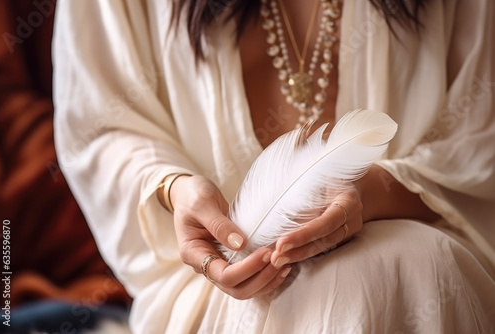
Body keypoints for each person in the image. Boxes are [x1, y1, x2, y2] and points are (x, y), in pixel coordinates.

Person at [53, 0, 495, 332]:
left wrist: (373, 189)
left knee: (409, 263)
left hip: (429, 250)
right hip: (215, 291)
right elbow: (98, 126)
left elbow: (482, 138)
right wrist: (175, 189)